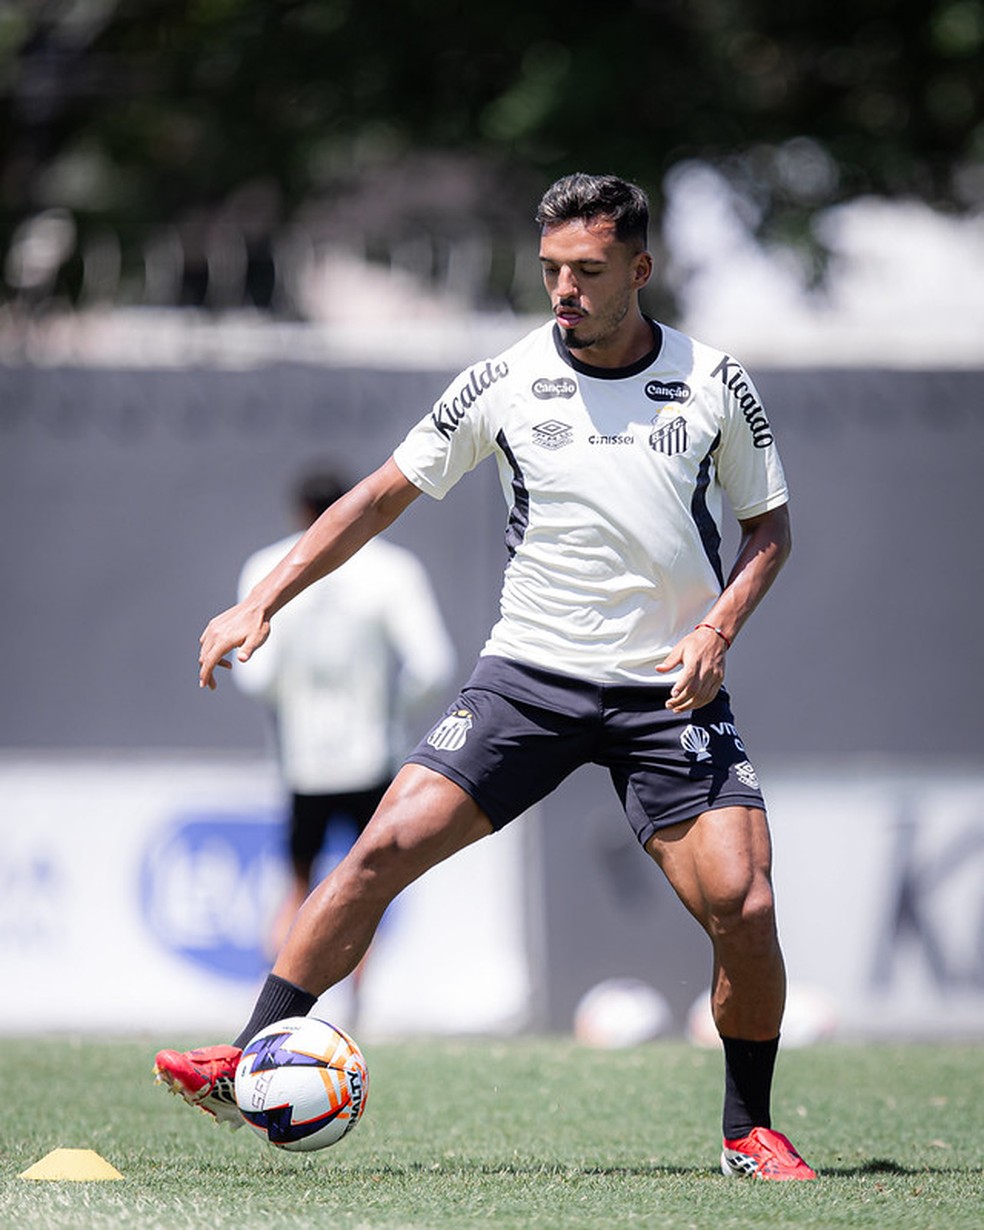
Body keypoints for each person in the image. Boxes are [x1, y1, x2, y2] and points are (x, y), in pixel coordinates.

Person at [155, 172, 816, 1181]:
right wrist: (263, 601)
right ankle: (242, 1056)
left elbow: (768, 531)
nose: (564, 289)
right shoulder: (501, 381)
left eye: (588, 271)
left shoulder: (715, 382)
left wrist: (718, 628)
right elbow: (378, 499)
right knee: (380, 846)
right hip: (530, 679)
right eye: (551, 269)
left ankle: (747, 1132)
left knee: (747, 907)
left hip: (668, 690)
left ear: (639, 270)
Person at [233, 467, 457, 961]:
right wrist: (388, 711)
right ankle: (357, 1011)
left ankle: (276, 1011)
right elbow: (432, 665)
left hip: (304, 761)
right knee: (364, 890)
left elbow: (255, 675)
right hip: (372, 755)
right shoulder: (394, 569)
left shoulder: (267, 566)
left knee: (297, 884)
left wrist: (294, 705)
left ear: (301, 513)